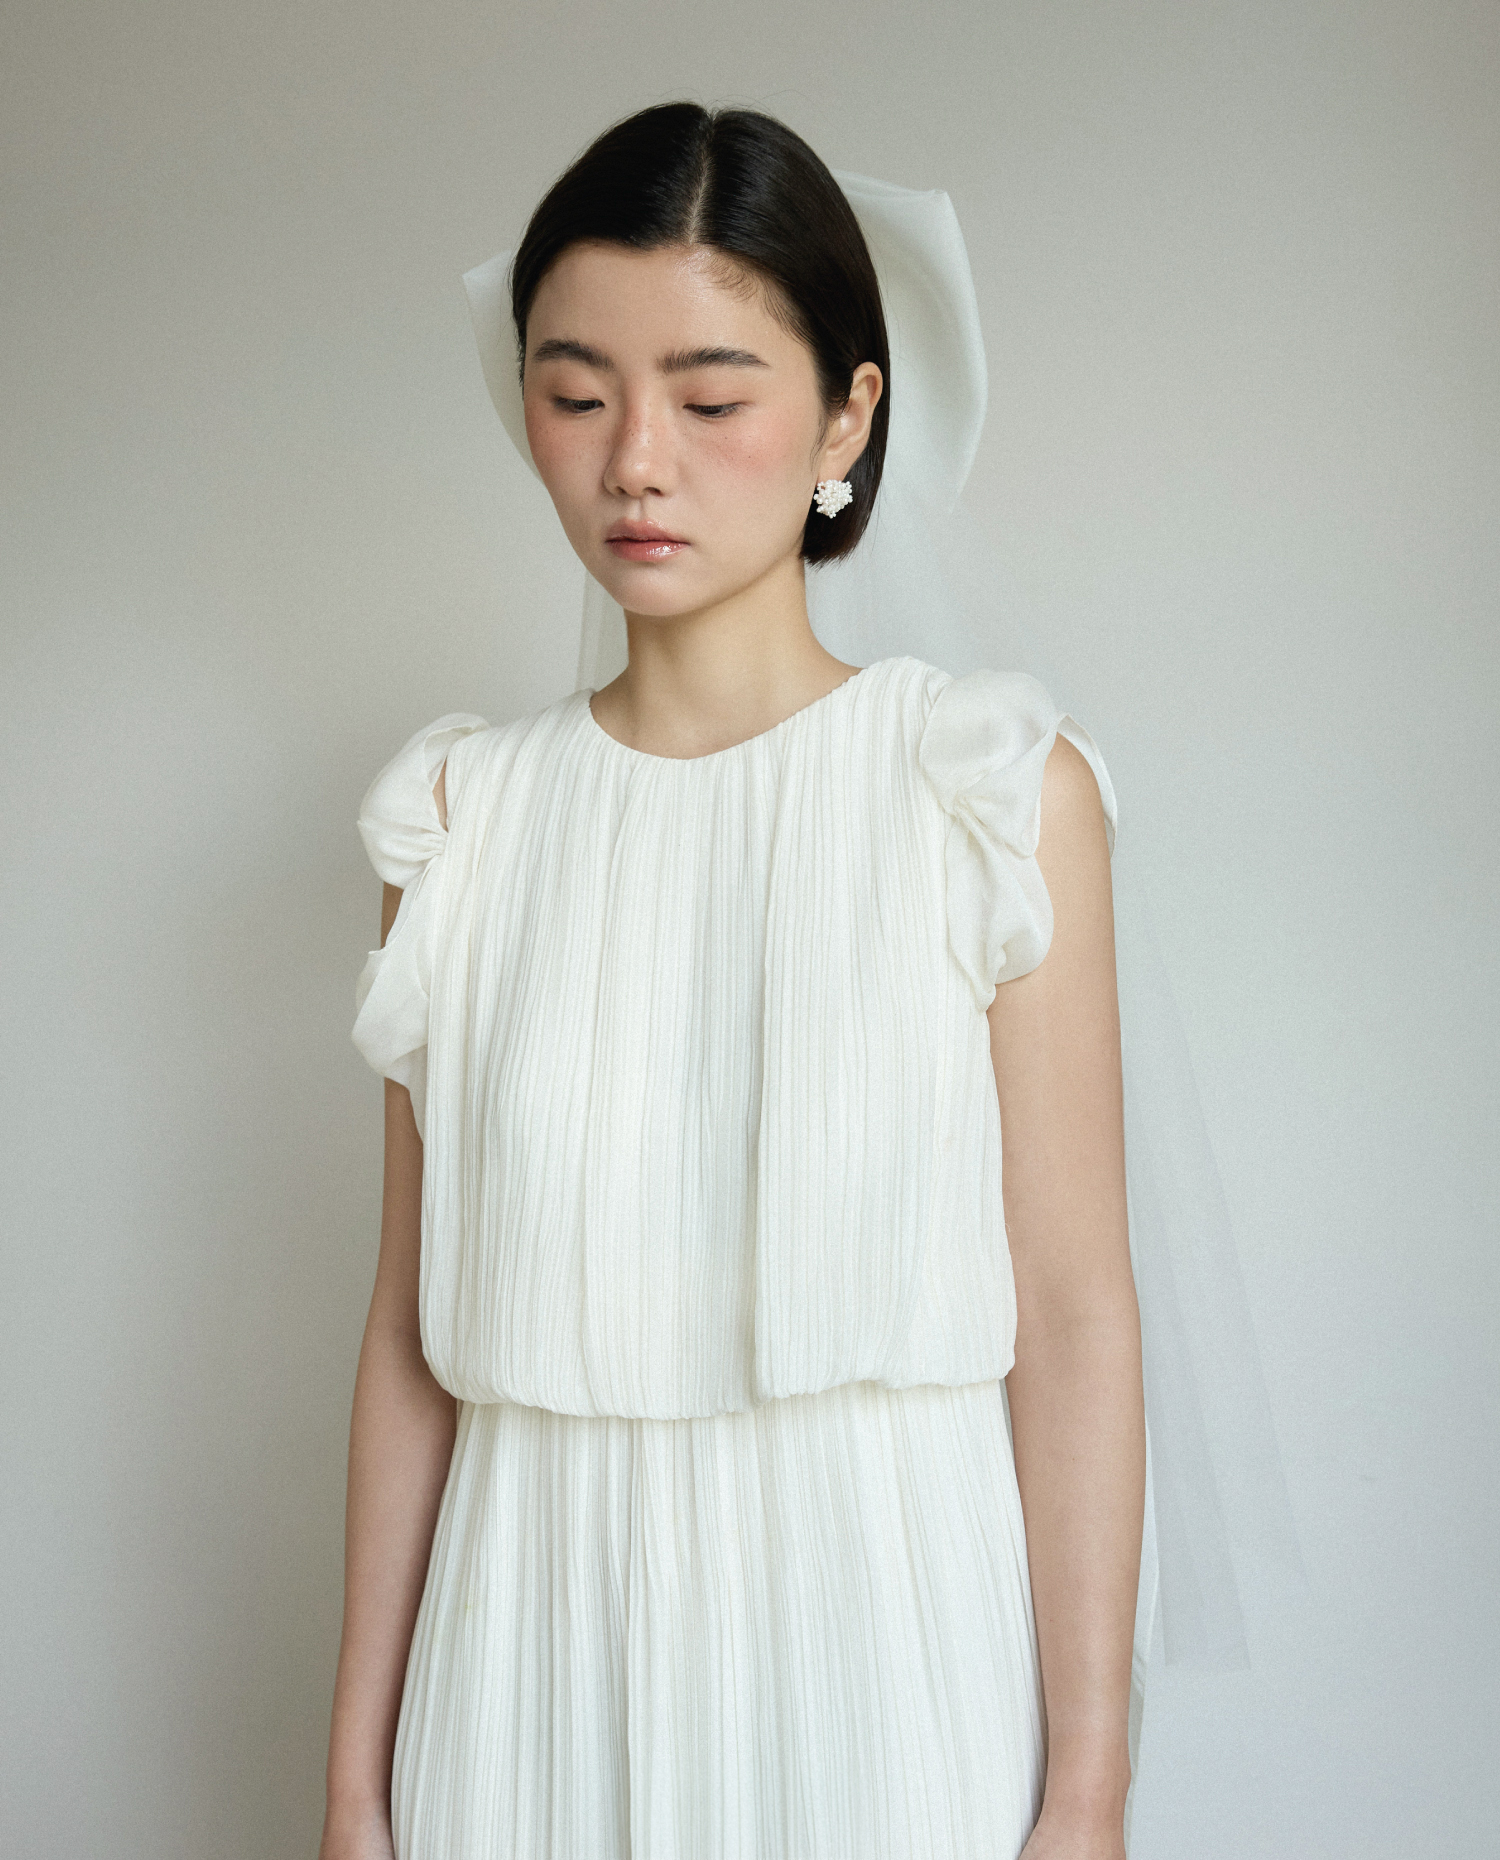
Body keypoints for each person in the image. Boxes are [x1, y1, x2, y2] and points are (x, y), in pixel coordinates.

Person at [320, 102, 1145, 1860]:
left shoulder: (987, 795)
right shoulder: (458, 827)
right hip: (526, 1670)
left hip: (888, 1665)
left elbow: (1077, 1316)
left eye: (709, 401)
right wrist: (354, 1792)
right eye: (576, 394)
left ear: (849, 414)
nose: (636, 462)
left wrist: (1089, 1795)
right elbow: (406, 1339)